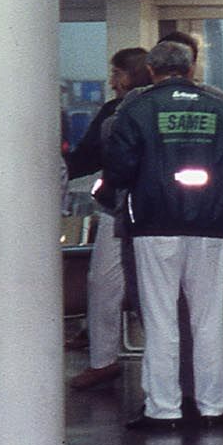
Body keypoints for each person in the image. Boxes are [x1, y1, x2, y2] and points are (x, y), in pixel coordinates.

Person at [102, 38, 223, 432]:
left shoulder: (136, 108)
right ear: (190, 69)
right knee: (208, 319)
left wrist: (110, 197)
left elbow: (119, 167)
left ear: (152, 71)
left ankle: (163, 409)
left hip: (153, 227)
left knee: (161, 319)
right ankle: (213, 407)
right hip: (209, 230)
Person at [65, 47, 153, 390]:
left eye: (115, 74)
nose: (112, 82)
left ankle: (103, 360)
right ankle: (168, 366)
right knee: (157, 293)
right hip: (160, 215)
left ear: (128, 76)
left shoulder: (115, 113)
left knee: (103, 285)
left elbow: (87, 157)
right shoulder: (164, 107)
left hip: (118, 212)